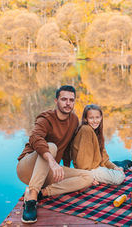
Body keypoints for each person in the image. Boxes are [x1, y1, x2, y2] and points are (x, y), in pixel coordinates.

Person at [16, 85, 94, 224]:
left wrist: (65, 168)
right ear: (56, 100)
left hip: (48, 173)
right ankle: (31, 198)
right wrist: (52, 162)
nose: (68, 103)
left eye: (71, 100)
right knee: (51, 146)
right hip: (27, 168)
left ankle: (43, 193)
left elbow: (68, 146)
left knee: (87, 176)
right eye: (64, 99)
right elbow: (35, 138)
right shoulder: (46, 118)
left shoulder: (74, 120)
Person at [67, 104, 125, 186]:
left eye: (97, 117)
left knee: (118, 170)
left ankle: (119, 166)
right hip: (88, 171)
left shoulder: (97, 133)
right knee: (119, 177)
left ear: (101, 118)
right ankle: (120, 167)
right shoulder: (86, 130)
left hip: (95, 168)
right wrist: (89, 178)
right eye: (91, 118)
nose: (95, 121)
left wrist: (114, 167)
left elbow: (104, 158)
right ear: (86, 119)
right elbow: (82, 162)